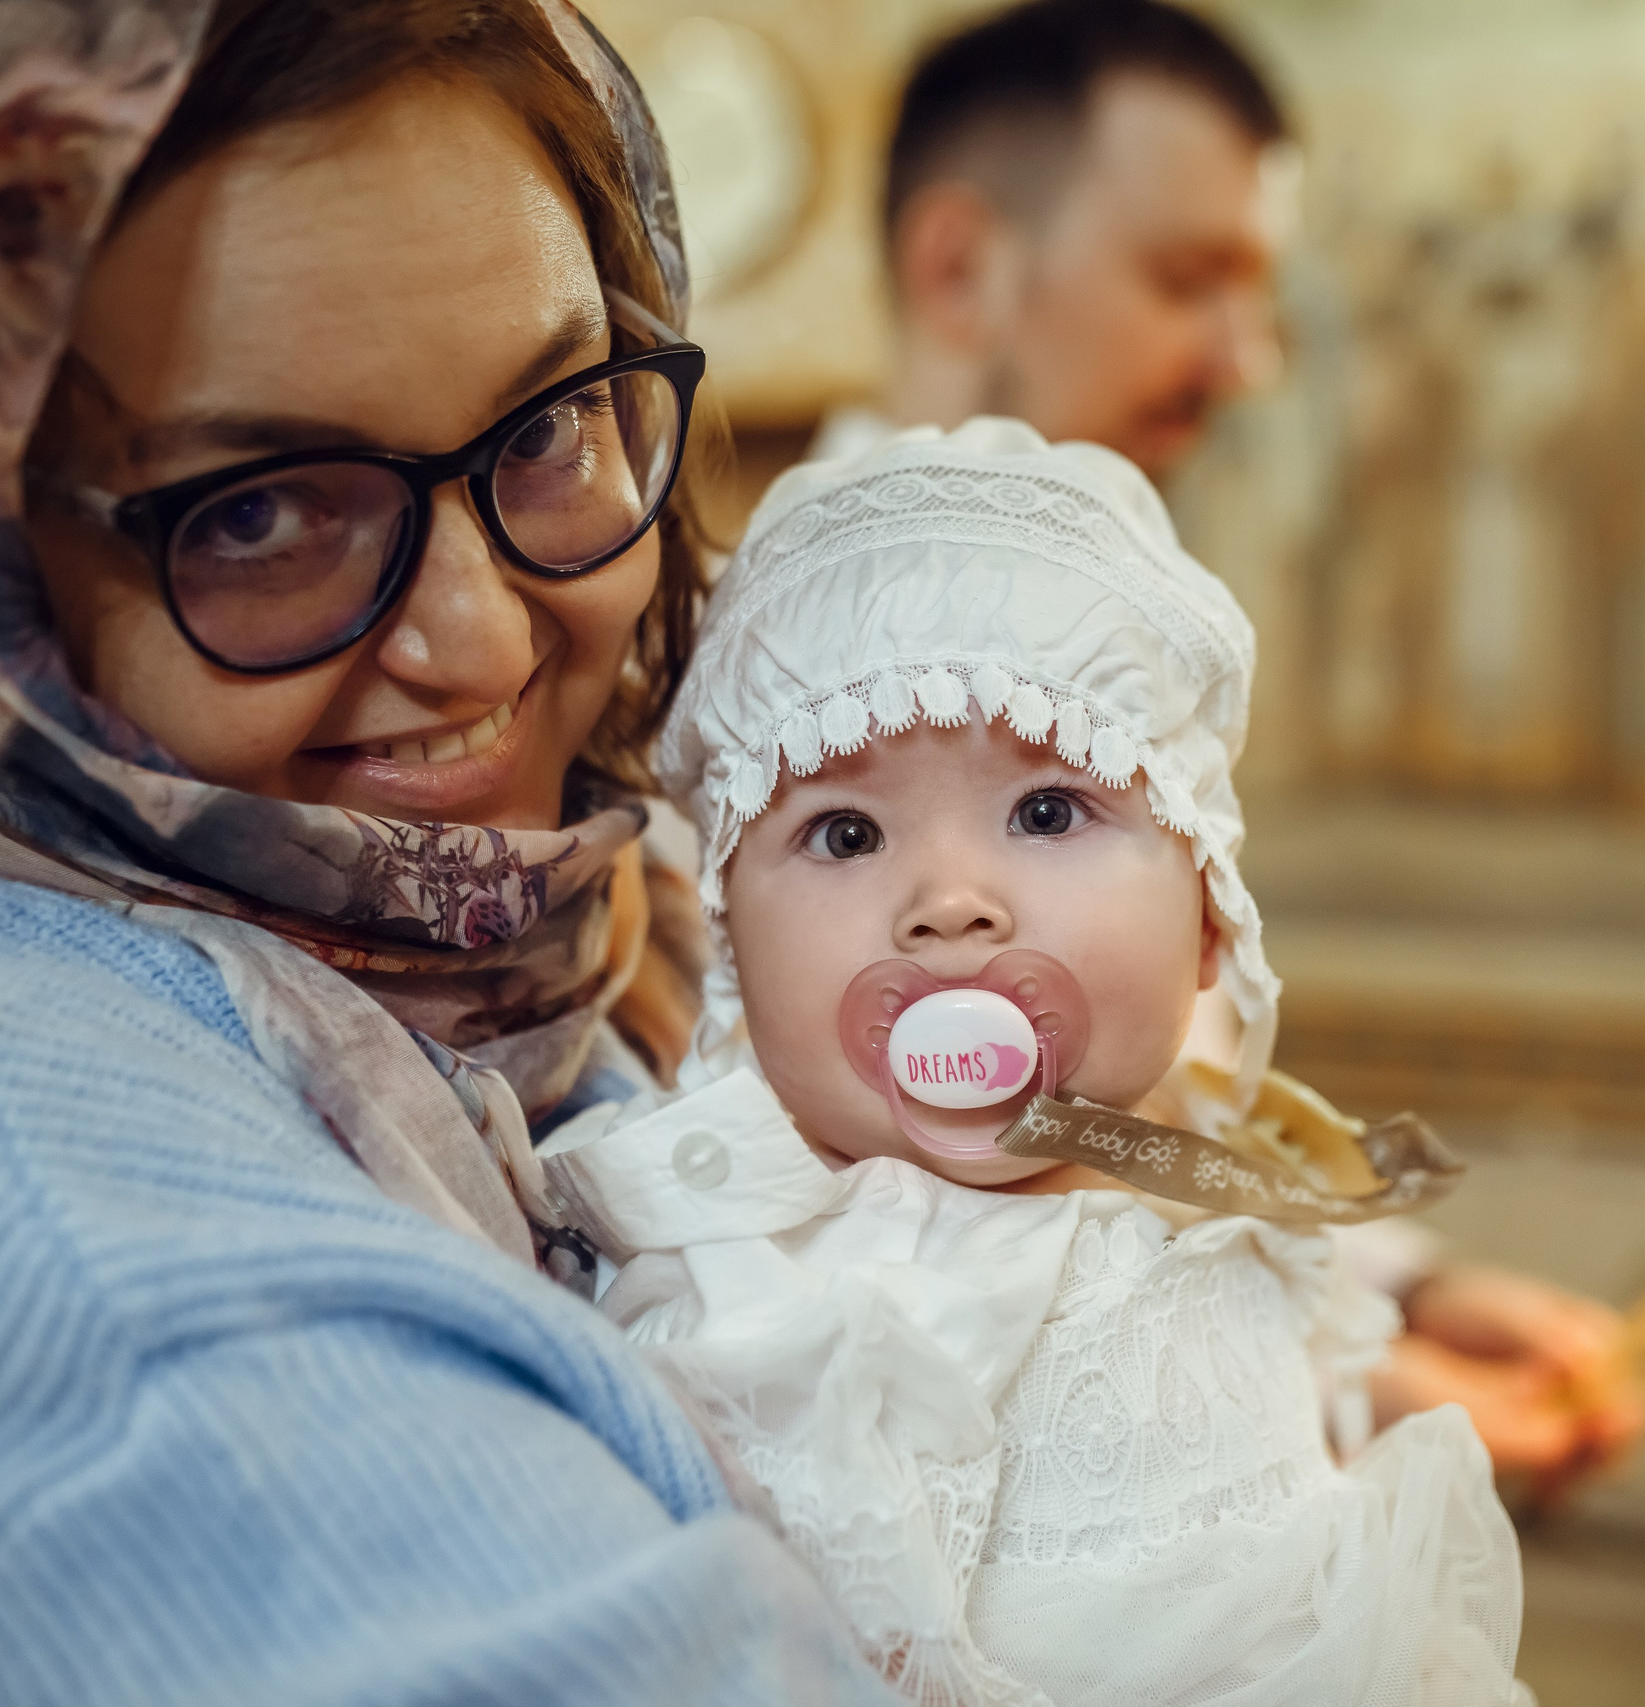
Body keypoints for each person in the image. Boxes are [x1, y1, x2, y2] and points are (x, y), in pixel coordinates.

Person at [0, 2, 902, 1701]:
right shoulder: (78, 1292)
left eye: (542, 431)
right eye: (257, 515)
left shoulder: (530, 957)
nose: (483, 639)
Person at [542, 417, 1529, 1705]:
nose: (951, 903)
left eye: (1049, 810)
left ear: (1210, 912)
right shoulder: (755, 1288)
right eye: (845, 833)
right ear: (731, 939)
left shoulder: (1216, 1175)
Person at [814, 0, 1645, 1492]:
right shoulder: (784, 695)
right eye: (1190, 279)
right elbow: (886, 1212)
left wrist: (1399, 1285)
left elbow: (1144, 1109)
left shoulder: (1097, 646)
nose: (1248, 358)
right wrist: (1341, 1379)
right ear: (962, 269)